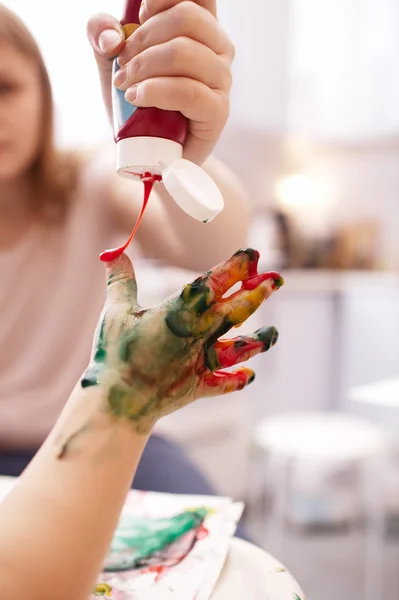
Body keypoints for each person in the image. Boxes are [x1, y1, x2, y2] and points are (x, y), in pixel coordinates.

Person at [0, 1, 251, 499]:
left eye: (4, 88)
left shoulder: (89, 183)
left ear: (44, 94)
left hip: (105, 435)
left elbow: (214, 246)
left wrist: (181, 160)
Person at [0, 246, 282, 599]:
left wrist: (130, 386)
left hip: (92, 422)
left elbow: (212, 233)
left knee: (233, 555)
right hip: (83, 422)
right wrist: (119, 396)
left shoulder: (97, 191)